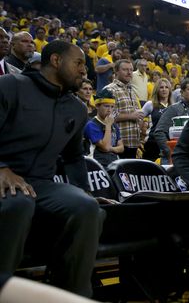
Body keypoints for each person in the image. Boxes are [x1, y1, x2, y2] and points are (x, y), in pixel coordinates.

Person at [0, 40, 104, 297]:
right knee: (19, 203)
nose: (85, 70)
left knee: (87, 207)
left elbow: (73, 158)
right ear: (56, 60)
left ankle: (71, 296)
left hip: (40, 183)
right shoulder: (11, 86)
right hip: (4, 176)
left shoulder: (78, 108)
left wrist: (84, 191)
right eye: (78, 63)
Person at [153, 79, 189, 163]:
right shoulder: (174, 109)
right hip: (174, 158)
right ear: (182, 93)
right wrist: (170, 152)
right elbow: (159, 132)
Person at [105, 59, 143, 158]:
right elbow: (106, 116)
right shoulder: (110, 89)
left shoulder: (131, 90)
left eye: (131, 70)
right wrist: (131, 116)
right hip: (117, 144)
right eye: (125, 69)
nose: (129, 72)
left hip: (133, 143)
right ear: (116, 71)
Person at [83, 89, 124, 167]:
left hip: (114, 162)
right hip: (97, 164)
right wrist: (108, 126)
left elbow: (121, 148)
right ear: (97, 106)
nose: (109, 110)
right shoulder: (91, 125)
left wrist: (110, 149)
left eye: (112, 107)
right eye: (106, 106)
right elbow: (105, 147)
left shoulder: (114, 125)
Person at [141, 78, 174, 161]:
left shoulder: (174, 106)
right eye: (161, 87)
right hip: (152, 143)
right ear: (157, 90)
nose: (164, 90)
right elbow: (138, 119)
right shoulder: (150, 104)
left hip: (169, 143)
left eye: (166, 87)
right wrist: (140, 138)